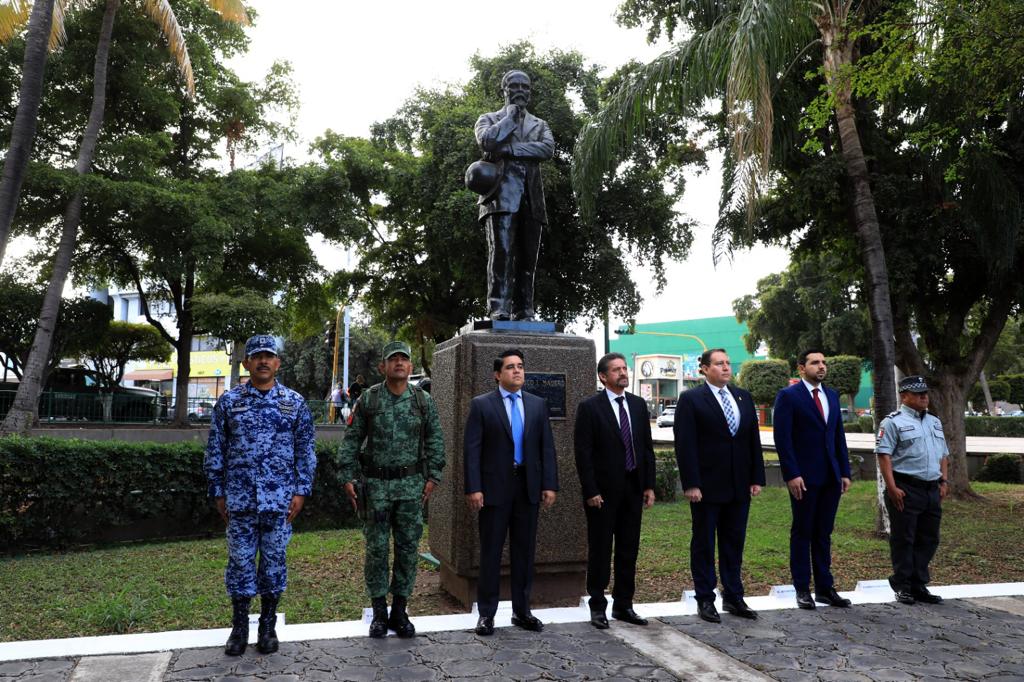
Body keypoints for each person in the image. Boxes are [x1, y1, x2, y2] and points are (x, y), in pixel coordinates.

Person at [204, 334, 316, 656]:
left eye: (269, 356)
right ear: (247, 363)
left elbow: (305, 450)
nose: (263, 361)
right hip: (240, 501)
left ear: (277, 363)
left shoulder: (294, 403)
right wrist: (218, 491)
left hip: (280, 502)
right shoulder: (229, 402)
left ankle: (268, 627)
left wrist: (301, 490)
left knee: (273, 563)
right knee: (240, 563)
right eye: (257, 356)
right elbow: (216, 449)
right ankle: (239, 628)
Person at [339, 341, 445, 638]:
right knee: (376, 550)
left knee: (408, 549)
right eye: (393, 359)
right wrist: (347, 476)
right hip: (376, 487)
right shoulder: (370, 399)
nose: (399, 363)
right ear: (382, 366)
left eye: (403, 359)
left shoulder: (423, 400)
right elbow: (352, 439)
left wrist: (433, 476)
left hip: (411, 487)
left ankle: (400, 610)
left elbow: (435, 439)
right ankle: (378, 613)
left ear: (410, 366)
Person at [464, 348, 558, 635]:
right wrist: (474, 487)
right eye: (510, 367)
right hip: (494, 489)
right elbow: (472, 451)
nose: (517, 371)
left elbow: (546, 448)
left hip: (527, 488)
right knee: (491, 552)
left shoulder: (537, 405)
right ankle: (487, 614)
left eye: (520, 366)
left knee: (524, 552)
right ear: (497, 374)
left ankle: (522, 611)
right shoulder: (482, 405)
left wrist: (549, 484)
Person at [673, 348, 766, 623]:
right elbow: (685, 444)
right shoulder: (691, 399)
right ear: (704, 369)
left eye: (727, 363)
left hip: (739, 485)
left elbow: (752, 440)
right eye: (718, 364)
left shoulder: (743, 396)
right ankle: (705, 598)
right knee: (704, 543)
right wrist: (691, 483)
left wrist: (756, 477)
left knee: (733, 542)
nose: (726, 368)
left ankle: (734, 596)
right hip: (706, 487)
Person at [573, 353, 656, 629]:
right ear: (603, 376)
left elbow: (646, 449)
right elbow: (583, 454)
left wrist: (649, 485)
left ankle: (624, 605)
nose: (623, 373)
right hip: (602, 493)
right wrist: (591, 490)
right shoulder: (589, 408)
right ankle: (598, 606)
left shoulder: (638, 405)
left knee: (628, 549)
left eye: (624, 368)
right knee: (600, 550)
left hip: (633, 489)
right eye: (616, 370)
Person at [772, 350, 853, 610]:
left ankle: (825, 588)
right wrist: (792, 474)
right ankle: (802, 589)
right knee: (803, 531)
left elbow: (838, 436)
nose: (821, 366)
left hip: (831, 476)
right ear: (801, 368)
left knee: (823, 533)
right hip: (804, 478)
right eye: (815, 362)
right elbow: (783, 439)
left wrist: (844, 471)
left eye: (823, 362)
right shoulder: (788, 396)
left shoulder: (831, 395)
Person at [474, 70, 555, 321]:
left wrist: (509, 149)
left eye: (525, 87)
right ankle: (498, 307)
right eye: (515, 86)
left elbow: (547, 149)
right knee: (502, 253)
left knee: (529, 258)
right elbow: (487, 142)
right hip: (500, 197)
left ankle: (525, 309)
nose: (521, 90)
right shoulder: (488, 119)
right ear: (505, 90)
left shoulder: (540, 124)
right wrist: (509, 118)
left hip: (532, 197)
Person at [875, 375, 949, 605]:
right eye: (918, 393)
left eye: (925, 393)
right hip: (906, 487)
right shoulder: (892, 422)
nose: (924, 397)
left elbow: (943, 454)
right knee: (904, 539)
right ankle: (903, 585)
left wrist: (944, 481)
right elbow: (884, 456)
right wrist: (892, 488)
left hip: (931, 488)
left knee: (929, 539)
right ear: (904, 396)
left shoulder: (934, 421)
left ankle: (918, 584)